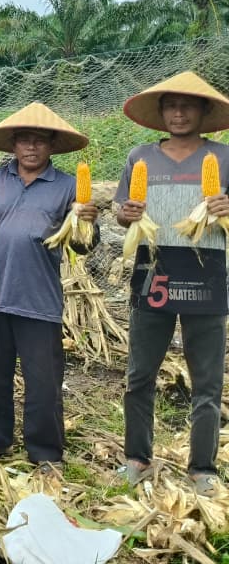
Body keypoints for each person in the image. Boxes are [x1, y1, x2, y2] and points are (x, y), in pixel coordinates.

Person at [0, 102, 97, 471]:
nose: (31, 147)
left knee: (43, 380)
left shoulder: (67, 187)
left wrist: (86, 223)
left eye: (40, 141)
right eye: (24, 140)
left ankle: (45, 452)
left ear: (52, 146)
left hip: (38, 299)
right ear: (13, 145)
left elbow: (82, 246)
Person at [114, 71, 229, 496]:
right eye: (171, 106)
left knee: (207, 380)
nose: (178, 113)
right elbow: (122, 214)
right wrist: (124, 215)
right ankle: (136, 457)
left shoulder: (225, 157)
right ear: (161, 113)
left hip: (207, 275)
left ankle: (202, 467)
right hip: (153, 270)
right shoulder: (140, 156)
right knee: (139, 374)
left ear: (203, 112)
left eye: (187, 106)